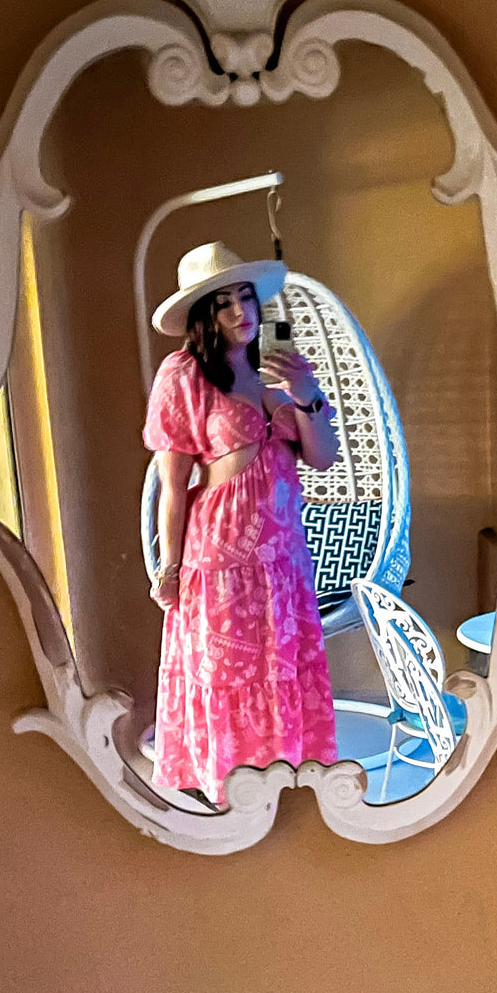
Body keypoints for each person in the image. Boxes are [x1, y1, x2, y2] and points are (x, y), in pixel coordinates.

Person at [143, 241, 339, 808]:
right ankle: (229, 795)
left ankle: (283, 784)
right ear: (204, 315)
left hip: (283, 561)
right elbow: (173, 484)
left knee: (280, 667)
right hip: (221, 557)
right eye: (223, 301)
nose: (239, 311)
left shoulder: (278, 371)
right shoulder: (182, 374)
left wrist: (309, 396)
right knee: (228, 673)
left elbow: (321, 457)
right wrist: (169, 566)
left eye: (245, 297)